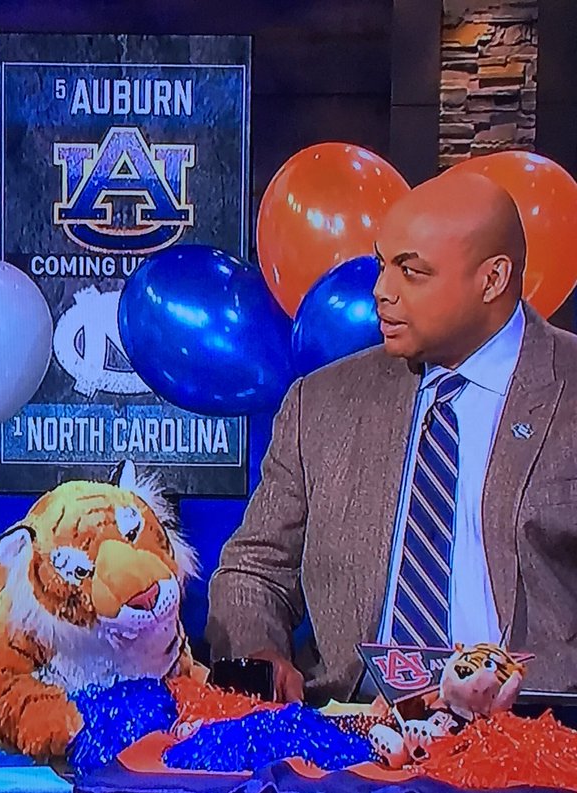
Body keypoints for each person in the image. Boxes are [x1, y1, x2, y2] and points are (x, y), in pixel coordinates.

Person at [206, 171, 577, 704]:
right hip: (356, 726)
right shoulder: (322, 403)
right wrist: (260, 654)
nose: (381, 290)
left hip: (542, 733)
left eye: (411, 270)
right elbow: (253, 569)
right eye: (383, 263)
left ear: (492, 279)